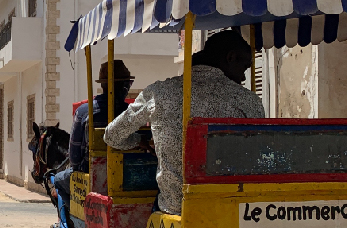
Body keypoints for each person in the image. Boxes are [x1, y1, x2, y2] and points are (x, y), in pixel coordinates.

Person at [104, 29, 265, 216]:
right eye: (244, 68)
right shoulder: (247, 100)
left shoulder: (158, 93)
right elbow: (259, 155)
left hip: (175, 209)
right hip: (232, 209)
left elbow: (112, 135)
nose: (243, 78)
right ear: (230, 57)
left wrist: (138, 141)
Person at [51, 60, 134, 218]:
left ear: (102, 85)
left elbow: (74, 159)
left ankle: (77, 220)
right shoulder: (131, 113)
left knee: (58, 180)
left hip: (93, 176)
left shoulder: (84, 112)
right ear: (125, 86)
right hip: (128, 176)